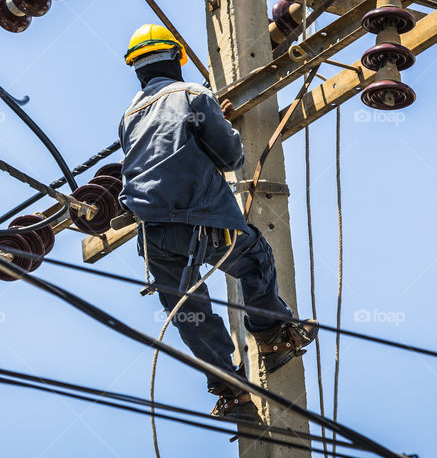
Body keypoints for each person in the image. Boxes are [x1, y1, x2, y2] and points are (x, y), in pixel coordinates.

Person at [117, 23, 319, 421]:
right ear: (177, 59)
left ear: (136, 70)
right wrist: (218, 124)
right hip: (203, 221)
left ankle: (230, 390)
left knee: (188, 310)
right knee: (255, 257)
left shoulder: (127, 116)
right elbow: (230, 159)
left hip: (153, 236)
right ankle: (272, 336)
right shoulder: (194, 96)